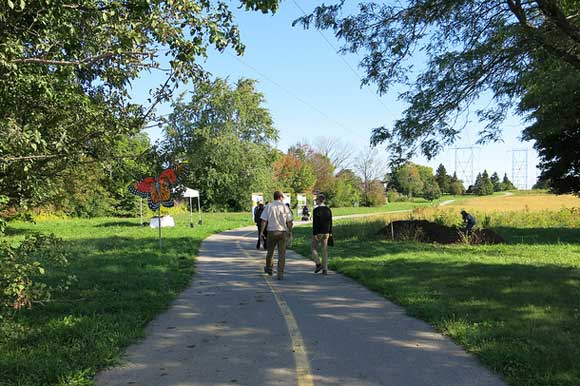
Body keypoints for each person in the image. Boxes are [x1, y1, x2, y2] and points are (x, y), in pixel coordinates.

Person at [260, 191, 293, 279]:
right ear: (280, 197)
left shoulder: (269, 206)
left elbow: (264, 220)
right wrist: (290, 231)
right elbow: (289, 222)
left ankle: (269, 268)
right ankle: (280, 274)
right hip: (282, 232)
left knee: (270, 252)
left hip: (271, 231)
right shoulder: (285, 207)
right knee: (282, 254)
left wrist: (261, 232)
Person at [312, 193, 333, 275]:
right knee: (324, 250)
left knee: (313, 248)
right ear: (324, 200)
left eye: (316, 200)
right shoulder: (328, 210)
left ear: (318, 200)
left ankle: (318, 264)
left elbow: (315, 223)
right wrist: (330, 232)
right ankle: (325, 269)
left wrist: (315, 233)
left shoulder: (316, 210)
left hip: (319, 232)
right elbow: (330, 222)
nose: (315, 201)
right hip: (326, 232)